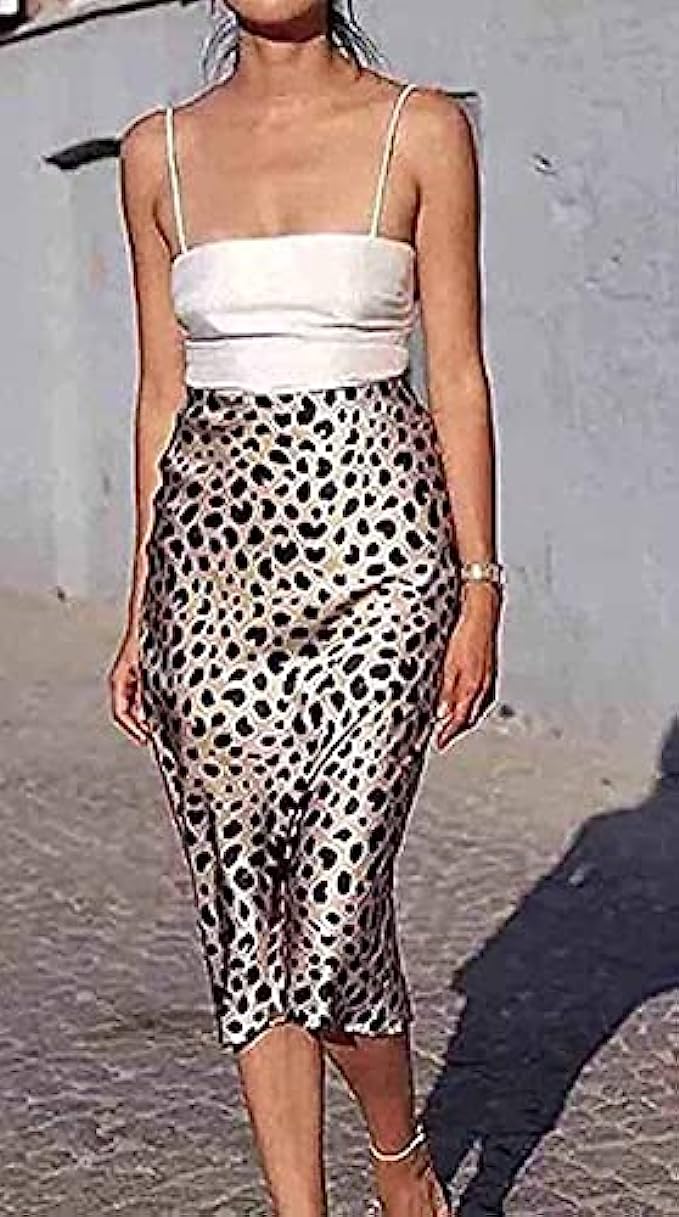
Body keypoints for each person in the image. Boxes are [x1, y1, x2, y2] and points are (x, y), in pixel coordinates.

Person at [107, 3, 503, 1215]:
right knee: (245, 907)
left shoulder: (420, 129)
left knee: (332, 911)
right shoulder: (155, 152)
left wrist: (480, 583)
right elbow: (160, 392)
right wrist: (139, 603)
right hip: (209, 574)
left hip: (383, 558)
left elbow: (455, 371)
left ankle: (400, 1159)